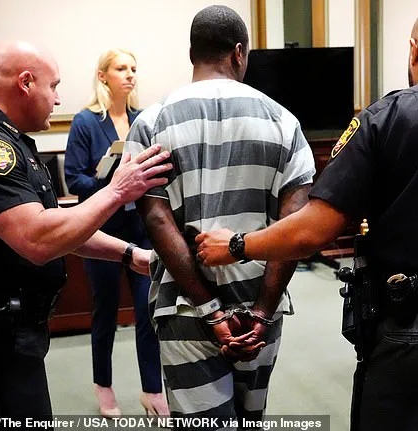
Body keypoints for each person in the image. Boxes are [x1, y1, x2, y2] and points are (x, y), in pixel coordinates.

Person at [196, 3, 418, 430]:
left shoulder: (384, 118)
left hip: (411, 329)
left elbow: (314, 230)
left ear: (413, 48)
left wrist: (236, 245)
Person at [0, 41, 171, 424]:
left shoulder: (8, 139)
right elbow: (38, 240)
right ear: (25, 83)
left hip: (8, 332)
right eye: (53, 86)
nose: (57, 100)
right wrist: (117, 190)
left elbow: (58, 224)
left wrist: (128, 254)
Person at [124, 5, 315, 423]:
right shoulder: (284, 122)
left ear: (192, 53)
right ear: (239, 53)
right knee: (251, 419)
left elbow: (156, 221)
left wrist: (210, 310)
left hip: (184, 309)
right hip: (258, 308)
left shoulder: (151, 124)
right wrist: (262, 312)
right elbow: (294, 224)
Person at [64, 48, 168, 418]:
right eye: (121, 68)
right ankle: (103, 386)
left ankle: (152, 389)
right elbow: (73, 179)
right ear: (103, 75)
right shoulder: (85, 121)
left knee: (147, 310)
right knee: (105, 312)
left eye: (133, 68)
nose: (130, 74)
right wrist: (106, 178)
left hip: (140, 229)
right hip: (102, 231)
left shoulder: (144, 119)